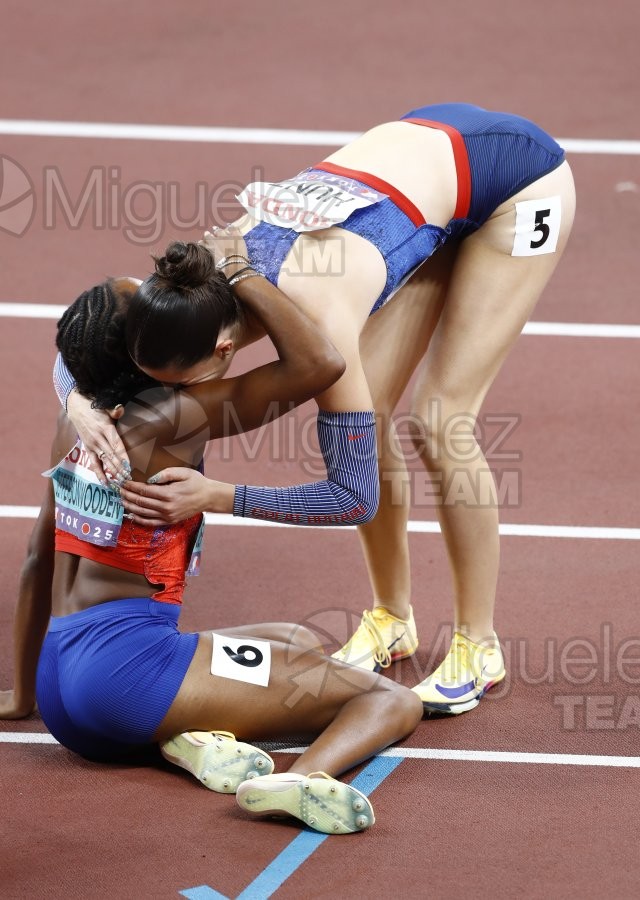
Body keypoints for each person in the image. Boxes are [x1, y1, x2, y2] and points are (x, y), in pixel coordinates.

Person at [54, 103, 577, 717]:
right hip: (417, 173)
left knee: (439, 421)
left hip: (515, 177)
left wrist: (218, 495)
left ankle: (479, 645)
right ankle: (391, 617)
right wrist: (79, 402)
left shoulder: (323, 317)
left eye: (179, 387)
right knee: (372, 414)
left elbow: (353, 497)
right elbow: (79, 334)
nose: (169, 402)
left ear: (225, 351)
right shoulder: (185, 281)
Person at [1, 252, 423, 835]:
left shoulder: (75, 420)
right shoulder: (176, 414)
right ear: (141, 352)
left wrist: (24, 694)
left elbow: (34, 559)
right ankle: (303, 778)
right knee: (392, 702)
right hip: (129, 678)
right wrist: (241, 271)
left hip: (61, 686)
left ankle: (188, 739)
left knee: (295, 640)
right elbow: (321, 363)